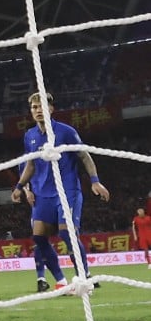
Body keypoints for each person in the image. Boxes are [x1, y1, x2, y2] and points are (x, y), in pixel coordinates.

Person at [12, 92, 110, 289]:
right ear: (31, 112)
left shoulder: (66, 131)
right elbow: (30, 165)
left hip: (67, 191)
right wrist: (20, 187)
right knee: (39, 237)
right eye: (34, 108)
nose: (38, 110)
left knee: (68, 234)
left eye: (42, 107)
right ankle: (60, 281)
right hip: (42, 194)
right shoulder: (29, 136)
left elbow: (84, 156)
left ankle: (85, 275)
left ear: (51, 109)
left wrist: (95, 181)